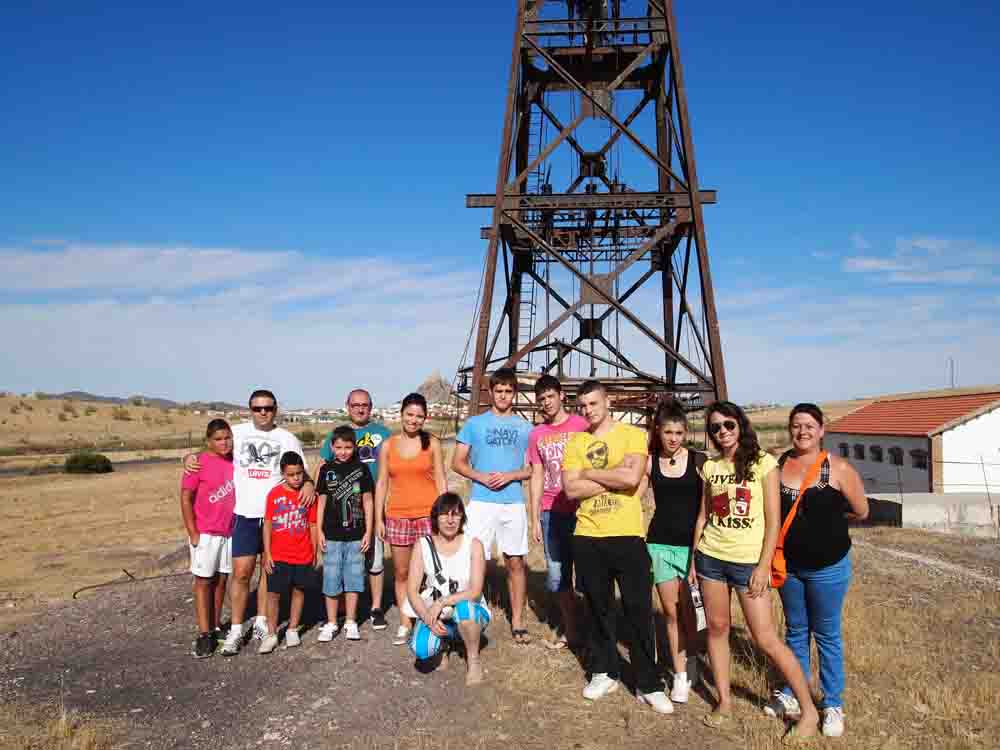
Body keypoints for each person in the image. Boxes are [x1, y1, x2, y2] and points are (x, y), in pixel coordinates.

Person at [690, 401, 820, 740]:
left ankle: (808, 712)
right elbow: (704, 515)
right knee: (717, 628)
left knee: (766, 638)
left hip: (748, 562)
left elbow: (774, 521)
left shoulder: (763, 463)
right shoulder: (710, 466)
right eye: (716, 427)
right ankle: (724, 703)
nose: (723, 432)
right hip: (710, 558)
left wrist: (763, 565)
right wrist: (693, 557)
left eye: (728, 425)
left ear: (740, 425)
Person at [563, 380, 671, 713]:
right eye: (582, 406)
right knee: (598, 607)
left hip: (627, 534)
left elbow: (632, 478)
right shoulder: (575, 441)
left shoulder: (632, 435)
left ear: (607, 402)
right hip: (588, 535)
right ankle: (604, 670)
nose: (588, 411)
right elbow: (570, 489)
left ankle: (648, 682)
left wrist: (590, 474)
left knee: (638, 609)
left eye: (593, 404)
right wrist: (613, 473)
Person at [764, 403, 869, 738]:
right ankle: (795, 693)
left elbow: (861, 510)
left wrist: (829, 526)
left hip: (828, 568)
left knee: (826, 634)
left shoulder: (838, 468)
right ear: (790, 429)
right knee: (795, 630)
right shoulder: (778, 464)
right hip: (789, 567)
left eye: (809, 426)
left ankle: (832, 703)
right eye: (796, 425)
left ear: (822, 430)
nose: (802, 431)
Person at [185, 390, 313, 657]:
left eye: (267, 408)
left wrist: (310, 483)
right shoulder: (237, 432)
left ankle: (263, 622)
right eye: (257, 408)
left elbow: (300, 471)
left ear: (276, 409)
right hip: (243, 514)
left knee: (268, 571)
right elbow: (215, 447)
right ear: (249, 409)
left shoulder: (287, 438)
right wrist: (189, 457)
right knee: (241, 573)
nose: (263, 413)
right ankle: (234, 629)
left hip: (275, 517)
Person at [451, 368, 532, 643]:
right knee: (476, 559)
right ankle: (473, 610)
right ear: (491, 392)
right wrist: (481, 476)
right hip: (482, 502)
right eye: (499, 391)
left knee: (516, 561)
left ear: (514, 394)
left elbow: (532, 469)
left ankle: (518, 620)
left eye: (509, 392)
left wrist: (511, 475)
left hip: (513, 502)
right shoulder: (475, 424)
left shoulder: (524, 427)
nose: (504, 396)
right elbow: (457, 462)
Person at [640, 398, 705, 703]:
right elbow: (634, 494)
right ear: (659, 431)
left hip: (693, 547)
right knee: (670, 611)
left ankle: (693, 659)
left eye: (679, 433)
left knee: (691, 611)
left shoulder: (700, 461)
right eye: (668, 433)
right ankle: (680, 675)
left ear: (685, 433)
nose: (673, 439)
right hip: (660, 544)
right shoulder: (650, 461)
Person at [374, 393, 447, 645]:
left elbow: (440, 479)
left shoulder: (432, 443)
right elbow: (382, 481)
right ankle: (406, 621)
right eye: (410, 414)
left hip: (428, 516)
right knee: (403, 572)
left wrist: (445, 513)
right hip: (398, 516)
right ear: (401, 414)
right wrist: (378, 518)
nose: (414, 420)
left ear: (425, 418)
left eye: (419, 416)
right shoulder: (388, 445)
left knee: (429, 572)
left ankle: (427, 618)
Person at [317, 389, 393, 631]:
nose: (360, 409)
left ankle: (376, 607)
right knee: (343, 560)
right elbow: (322, 466)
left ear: (371, 407)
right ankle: (342, 610)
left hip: (373, 503)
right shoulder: (337, 435)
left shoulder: (383, 433)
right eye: (355, 405)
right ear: (347, 406)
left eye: (365, 405)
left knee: (375, 558)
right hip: (341, 508)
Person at [526, 374, 588, 650]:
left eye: (551, 396)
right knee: (557, 575)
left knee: (588, 574)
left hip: (583, 509)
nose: (547, 402)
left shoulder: (582, 425)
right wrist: (535, 517)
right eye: (541, 399)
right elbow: (537, 474)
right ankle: (572, 631)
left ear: (562, 396)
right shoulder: (537, 434)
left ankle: (594, 630)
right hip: (552, 511)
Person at [405, 492, 490, 687]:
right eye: (444, 514)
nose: (450, 520)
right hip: (437, 613)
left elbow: (475, 591)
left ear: (462, 518)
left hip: (470, 611)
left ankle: (473, 658)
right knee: (422, 648)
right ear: (435, 518)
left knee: (464, 609)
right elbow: (411, 590)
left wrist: (442, 601)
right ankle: (445, 643)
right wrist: (427, 618)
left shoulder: (474, 545)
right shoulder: (422, 545)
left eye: (456, 514)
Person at [179, 419, 235, 658]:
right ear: (209, 441)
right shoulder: (199, 463)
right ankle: (203, 634)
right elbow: (185, 498)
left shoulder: (235, 461)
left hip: (229, 531)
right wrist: (193, 533)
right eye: (218, 439)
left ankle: (214, 625)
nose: (224, 443)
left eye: (227, 437)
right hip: (206, 532)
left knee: (222, 580)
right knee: (203, 581)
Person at [315, 426, 374, 643]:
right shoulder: (326, 470)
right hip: (331, 535)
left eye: (348, 447)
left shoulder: (362, 469)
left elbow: (368, 500)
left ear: (354, 447)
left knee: (354, 578)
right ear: (331, 447)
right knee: (331, 578)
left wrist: (368, 531)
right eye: (338, 447)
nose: (343, 451)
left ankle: (350, 621)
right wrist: (319, 530)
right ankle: (331, 622)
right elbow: (321, 501)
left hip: (356, 534)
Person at [260, 452, 320, 654]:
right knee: (273, 595)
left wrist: (315, 551)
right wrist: (267, 553)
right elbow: (267, 524)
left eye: (299, 474)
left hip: (302, 553)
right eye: (291, 474)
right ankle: (271, 633)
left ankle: (293, 628)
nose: (296, 478)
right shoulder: (274, 494)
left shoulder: (309, 496)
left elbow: (312, 525)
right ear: (283, 473)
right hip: (278, 555)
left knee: (299, 591)